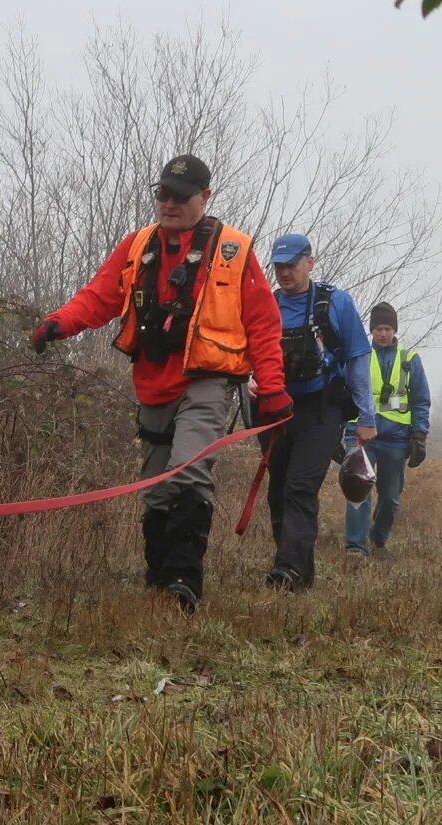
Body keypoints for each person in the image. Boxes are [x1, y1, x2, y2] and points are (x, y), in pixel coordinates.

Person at [30, 154, 289, 611]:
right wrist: (58, 323)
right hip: (152, 380)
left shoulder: (233, 250)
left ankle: (185, 580)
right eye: (162, 194)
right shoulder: (137, 245)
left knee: (188, 469)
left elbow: (263, 325)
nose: (168, 203)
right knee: (154, 485)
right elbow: (99, 296)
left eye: (180, 197)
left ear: (204, 198)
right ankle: (159, 573)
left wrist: (272, 389)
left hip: (207, 381)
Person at [260, 232, 375, 590]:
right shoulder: (266, 304)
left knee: (299, 486)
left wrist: (366, 418)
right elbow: (245, 353)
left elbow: (357, 359)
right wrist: (248, 379)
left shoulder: (335, 303)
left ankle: (288, 569)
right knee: (277, 488)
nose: (284, 272)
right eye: (278, 266)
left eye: (291, 265)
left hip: (322, 407)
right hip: (275, 408)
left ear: (309, 263)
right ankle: (299, 574)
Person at [343, 302, 431, 555]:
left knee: (390, 497)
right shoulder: (358, 357)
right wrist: (339, 435)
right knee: (357, 490)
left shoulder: (410, 360)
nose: (383, 333)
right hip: (360, 435)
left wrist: (420, 435)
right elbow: (342, 396)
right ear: (372, 331)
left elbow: (421, 400)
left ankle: (378, 537)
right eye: (379, 328)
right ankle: (355, 547)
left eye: (387, 328)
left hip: (396, 439)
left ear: (394, 330)